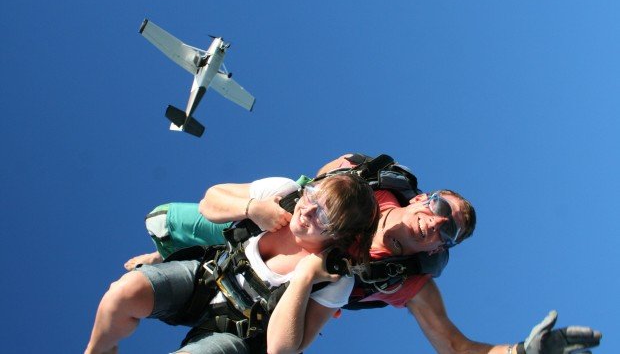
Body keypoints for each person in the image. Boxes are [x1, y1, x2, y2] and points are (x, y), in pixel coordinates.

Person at [125, 153, 602, 353]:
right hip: (261, 239)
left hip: (284, 300)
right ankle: (178, 260)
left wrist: (521, 351)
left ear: (440, 248)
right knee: (159, 220)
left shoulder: (405, 279)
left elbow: (455, 347)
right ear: (421, 198)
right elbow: (299, 200)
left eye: (447, 233)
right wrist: (254, 209)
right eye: (439, 208)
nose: (437, 222)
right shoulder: (363, 178)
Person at [85, 174, 379, 354]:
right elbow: (209, 200)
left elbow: (281, 348)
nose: (308, 210)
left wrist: (303, 279)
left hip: (240, 334)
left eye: (324, 216)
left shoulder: (334, 278)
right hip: (208, 279)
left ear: (340, 235)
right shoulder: (285, 194)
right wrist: (252, 208)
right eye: (313, 195)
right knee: (122, 293)